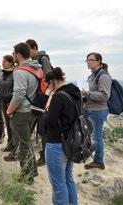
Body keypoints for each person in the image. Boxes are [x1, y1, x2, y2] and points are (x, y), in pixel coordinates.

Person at [43, 67, 79, 205]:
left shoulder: (59, 96)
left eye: (48, 84)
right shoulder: (75, 93)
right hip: (70, 142)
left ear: (53, 82)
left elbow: (51, 120)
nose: (48, 88)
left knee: (58, 183)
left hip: (56, 143)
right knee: (68, 178)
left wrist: (45, 113)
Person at [6, 42, 40, 184]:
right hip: (32, 109)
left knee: (22, 144)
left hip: (22, 112)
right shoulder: (36, 68)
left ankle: (27, 176)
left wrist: (9, 110)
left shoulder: (20, 71)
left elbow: (19, 94)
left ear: (18, 54)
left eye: (13, 54)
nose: (13, 56)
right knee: (27, 142)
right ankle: (32, 171)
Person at [82, 52, 112, 170]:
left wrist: (87, 93)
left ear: (99, 61)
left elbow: (105, 96)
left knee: (97, 137)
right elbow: (90, 93)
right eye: (87, 60)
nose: (88, 62)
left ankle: (99, 161)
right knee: (88, 134)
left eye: (91, 60)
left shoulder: (103, 76)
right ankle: (87, 153)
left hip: (98, 111)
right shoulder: (91, 76)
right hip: (89, 109)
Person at [26, 39, 53, 166]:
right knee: (33, 126)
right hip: (37, 98)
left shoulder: (43, 59)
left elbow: (48, 78)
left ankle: (45, 156)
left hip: (43, 100)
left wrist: (44, 97)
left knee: (42, 128)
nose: (27, 52)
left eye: (28, 49)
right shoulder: (34, 60)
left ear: (34, 48)